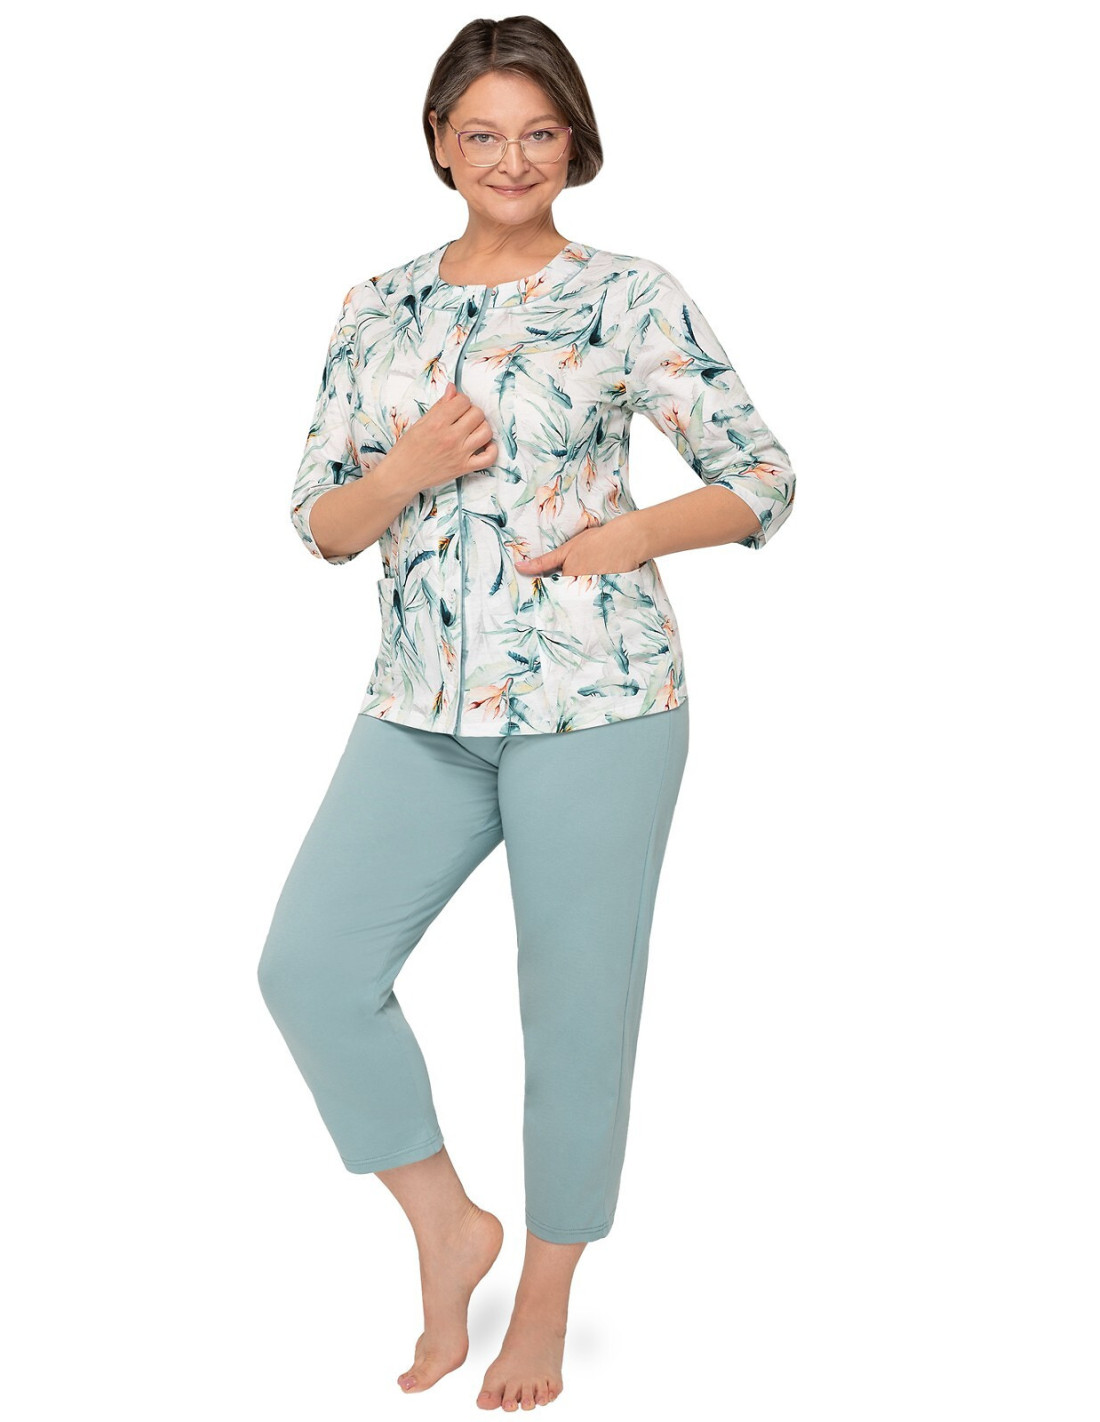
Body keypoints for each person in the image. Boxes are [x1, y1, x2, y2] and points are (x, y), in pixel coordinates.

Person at [257, 14, 797, 1413]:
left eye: (539, 133)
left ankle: (546, 1296)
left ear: (576, 144)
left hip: (599, 697)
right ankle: (449, 1224)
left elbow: (761, 478)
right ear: (440, 142)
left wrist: (626, 537)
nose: (511, 159)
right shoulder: (376, 305)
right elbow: (322, 523)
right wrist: (409, 468)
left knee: (573, 1013)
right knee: (310, 968)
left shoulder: (628, 294)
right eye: (483, 133)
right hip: (418, 703)